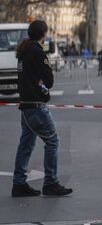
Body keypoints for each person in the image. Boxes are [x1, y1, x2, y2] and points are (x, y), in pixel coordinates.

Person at [12, 20, 73, 197]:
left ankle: (19, 183)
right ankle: (51, 182)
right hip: (36, 106)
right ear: (43, 35)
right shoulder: (37, 52)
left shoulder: (22, 51)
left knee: (26, 145)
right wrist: (42, 82)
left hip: (25, 105)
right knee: (52, 141)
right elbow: (49, 80)